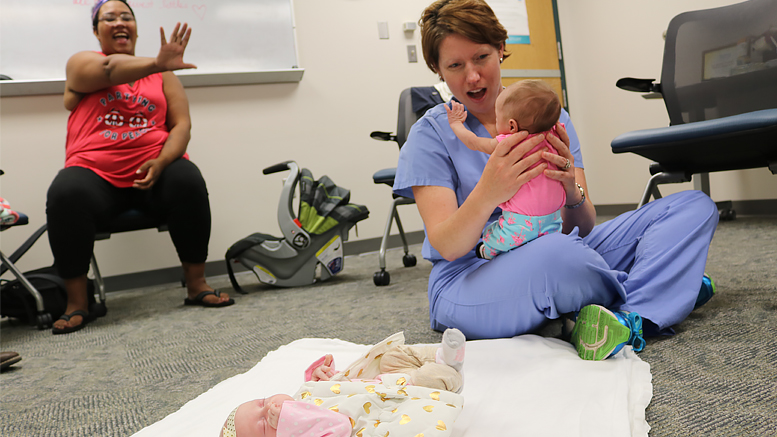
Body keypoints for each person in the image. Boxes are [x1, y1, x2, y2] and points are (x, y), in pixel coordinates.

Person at [393, 0, 718, 360]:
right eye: (455, 65)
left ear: (501, 50)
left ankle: (625, 317)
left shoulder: (548, 115)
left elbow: (583, 223)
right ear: (437, 69)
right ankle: (662, 292)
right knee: (560, 258)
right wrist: (489, 192)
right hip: (470, 275)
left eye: (481, 57)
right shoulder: (431, 135)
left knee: (693, 207)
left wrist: (569, 189)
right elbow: (448, 246)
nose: (472, 76)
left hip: (557, 244)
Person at [47, 0, 233, 335]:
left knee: (187, 179)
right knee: (66, 192)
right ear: (95, 30)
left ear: (135, 27)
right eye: (109, 17)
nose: (119, 22)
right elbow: (107, 72)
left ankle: (197, 285)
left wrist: (162, 161)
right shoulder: (82, 63)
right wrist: (156, 63)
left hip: (154, 171)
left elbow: (181, 126)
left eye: (126, 16)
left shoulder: (164, 76)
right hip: (95, 175)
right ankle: (77, 304)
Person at [220, 329, 466, 437]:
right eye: (264, 423)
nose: (270, 408)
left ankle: (440, 358)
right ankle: (449, 369)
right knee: (425, 380)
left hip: (383, 382)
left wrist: (321, 377)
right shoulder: (299, 429)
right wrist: (288, 418)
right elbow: (339, 424)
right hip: (402, 396)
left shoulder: (297, 400)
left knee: (391, 357)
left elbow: (331, 395)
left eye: (262, 402)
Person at [446, 80, 566, 259]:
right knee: (547, 241)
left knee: (495, 237)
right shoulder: (554, 136)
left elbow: (474, 142)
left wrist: (456, 125)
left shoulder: (509, 142)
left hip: (522, 220)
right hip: (553, 215)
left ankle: (486, 251)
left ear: (511, 126)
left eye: (497, 119)